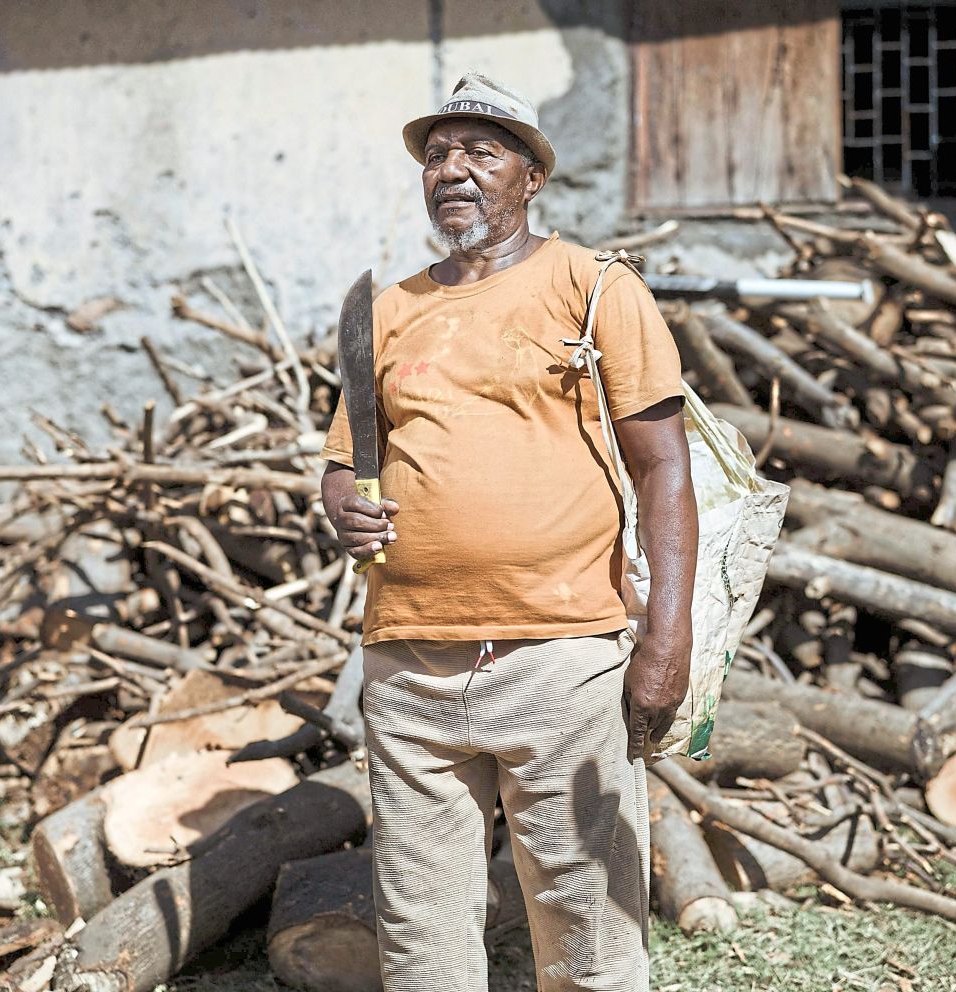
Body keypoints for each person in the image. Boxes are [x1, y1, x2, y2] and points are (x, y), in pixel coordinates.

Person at [320, 72, 698, 992]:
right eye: (438, 153)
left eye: (482, 151)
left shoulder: (595, 287)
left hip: (560, 657)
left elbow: (664, 468)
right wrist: (339, 501)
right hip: (409, 664)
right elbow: (345, 459)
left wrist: (666, 638)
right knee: (420, 933)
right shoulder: (386, 309)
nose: (453, 168)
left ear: (532, 178)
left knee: (587, 924)